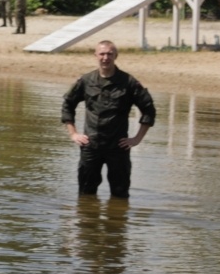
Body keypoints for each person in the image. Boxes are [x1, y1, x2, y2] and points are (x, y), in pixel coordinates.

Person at [62, 41, 156, 198]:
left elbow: (149, 110)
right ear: (95, 56)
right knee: (86, 194)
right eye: (102, 54)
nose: (105, 58)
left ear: (116, 56)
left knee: (120, 195)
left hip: (118, 147)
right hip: (90, 145)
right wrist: (73, 134)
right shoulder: (86, 81)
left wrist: (137, 139)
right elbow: (68, 104)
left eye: (109, 54)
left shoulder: (129, 82)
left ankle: (117, 222)